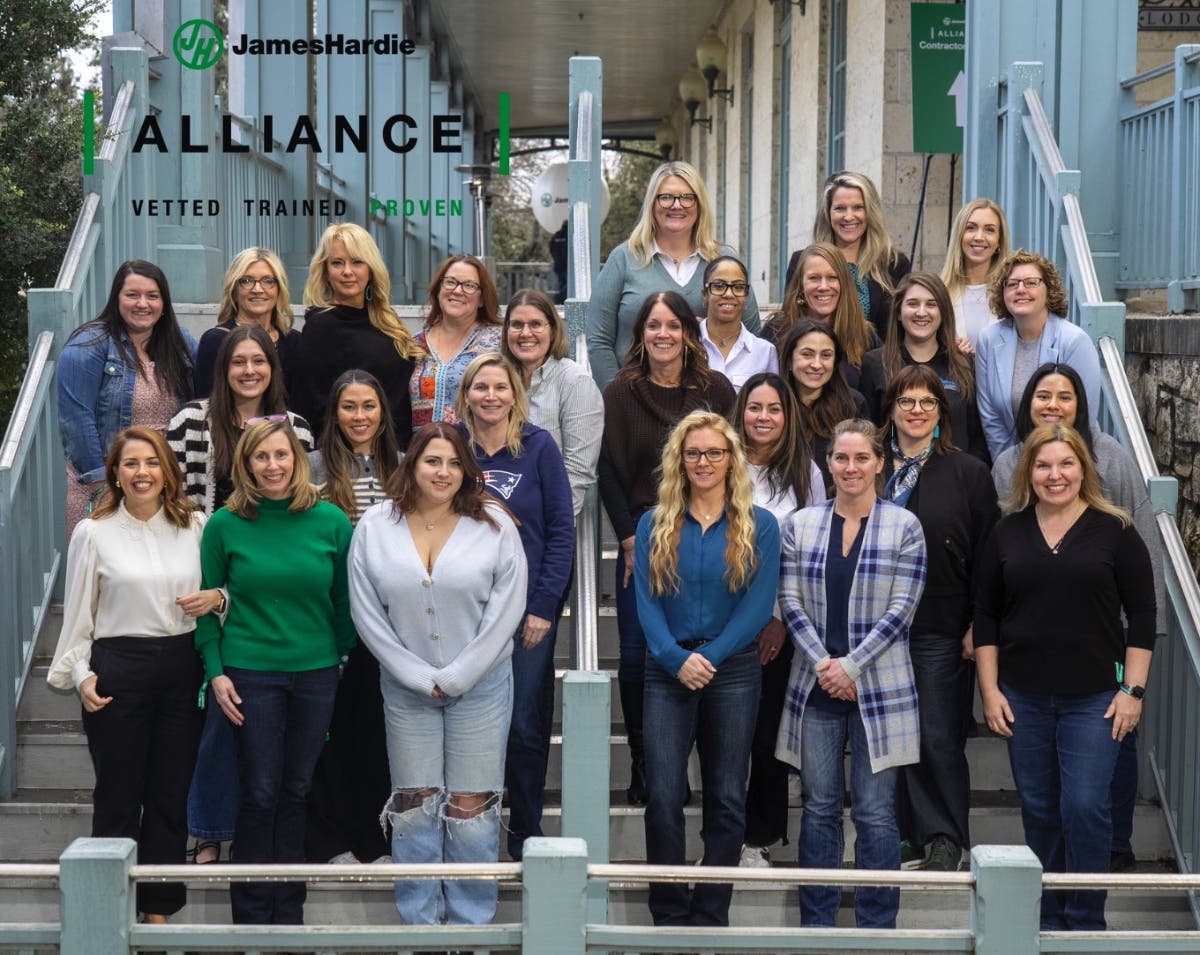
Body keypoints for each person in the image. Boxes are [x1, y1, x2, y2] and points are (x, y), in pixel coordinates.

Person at [975, 423, 1156, 931]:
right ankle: (1048, 921)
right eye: (1043, 465)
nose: (1055, 475)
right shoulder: (1006, 531)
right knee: (1039, 810)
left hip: (1096, 700)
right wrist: (990, 691)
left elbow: (1143, 614)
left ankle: (1085, 921)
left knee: (1084, 807)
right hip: (1022, 698)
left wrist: (1132, 691)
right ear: (1028, 471)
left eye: (1066, 464)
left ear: (1084, 468)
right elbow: (985, 615)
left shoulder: (1115, 530)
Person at [348, 423, 527, 925]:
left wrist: (459, 674)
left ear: (466, 469)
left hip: (482, 686)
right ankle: (421, 922)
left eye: (453, 463)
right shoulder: (375, 526)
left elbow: (507, 609)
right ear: (412, 464)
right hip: (406, 690)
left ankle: (471, 923)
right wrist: (412, 672)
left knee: (471, 810)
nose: (443, 472)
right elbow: (367, 613)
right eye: (432, 461)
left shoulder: (494, 523)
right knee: (414, 806)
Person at [991, 361, 1167, 871]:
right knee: (1048, 797)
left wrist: (1143, 635)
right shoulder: (1007, 462)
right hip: (1036, 635)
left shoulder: (1110, 454)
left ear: (1080, 403)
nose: (1052, 404)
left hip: (1107, 634)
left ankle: (1114, 847)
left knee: (1114, 745)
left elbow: (1143, 544)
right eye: (1042, 395)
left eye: (1064, 396)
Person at [47, 427, 219, 923]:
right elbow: (79, 611)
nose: (141, 472)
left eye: (151, 462)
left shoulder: (196, 525)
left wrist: (219, 599)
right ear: (116, 475)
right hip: (118, 667)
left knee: (170, 795)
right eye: (130, 464)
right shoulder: (93, 532)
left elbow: (219, 594)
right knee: (119, 796)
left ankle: (159, 911)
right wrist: (81, 675)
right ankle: (109, 911)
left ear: (168, 470)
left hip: (182, 667)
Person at [195, 419, 355, 924]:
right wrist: (216, 671)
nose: (273, 466)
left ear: (299, 460)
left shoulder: (331, 521)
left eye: (281, 456)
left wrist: (338, 659)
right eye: (261, 457)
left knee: (297, 789)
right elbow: (205, 604)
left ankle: (288, 912)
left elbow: (346, 605)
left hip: (316, 673)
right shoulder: (224, 524)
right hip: (250, 673)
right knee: (261, 791)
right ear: (245, 464)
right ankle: (250, 911)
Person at [169, 325, 316, 865]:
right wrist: (215, 579)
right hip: (204, 574)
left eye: (260, 360)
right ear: (223, 368)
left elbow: (298, 505)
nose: (250, 370)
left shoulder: (294, 429)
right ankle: (208, 830)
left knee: (260, 729)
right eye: (239, 361)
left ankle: (262, 833)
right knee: (214, 719)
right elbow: (175, 498)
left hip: (267, 593)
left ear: (274, 369)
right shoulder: (189, 421)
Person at [775, 418, 926, 928]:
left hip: (879, 689)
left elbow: (902, 611)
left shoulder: (904, 526)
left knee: (876, 812)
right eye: (841, 458)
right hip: (816, 687)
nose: (851, 467)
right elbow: (790, 601)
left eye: (862, 458)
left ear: (880, 463)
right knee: (818, 808)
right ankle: (816, 923)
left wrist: (852, 666)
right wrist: (825, 664)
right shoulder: (801, 524)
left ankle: (877, 925)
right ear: (828, 463)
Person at [634, 411, 780, 925]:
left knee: (725, 796)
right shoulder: (653, 522)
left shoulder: (759, 525)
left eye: (714, 452)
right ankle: (670, 913)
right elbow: (646, 605)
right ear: (679, 459)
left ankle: (711, 912)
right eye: (693, 453)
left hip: (733, 670)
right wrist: (676, 659)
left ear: (731, 460)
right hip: (667, 669)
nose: (703, 462)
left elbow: (759, 608)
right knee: (664, 796)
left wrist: (709, 658)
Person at [598, 291, 737, 805]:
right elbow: (606, 471)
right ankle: (647, 764)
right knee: (638, 658)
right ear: (640, 336)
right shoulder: (619, 392)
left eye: (672, 326)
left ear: (687, 332)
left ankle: (706, 767)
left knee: (705, 652)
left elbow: (733, 461)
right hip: (644, 537)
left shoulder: (716, 390)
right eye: (652, 326)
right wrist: (630, 537)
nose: (662, 335)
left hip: (710, 532)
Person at [877, 367, 998, 873]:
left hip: (943, 623)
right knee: (891, 734)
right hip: (878, 626)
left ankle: (946, 834)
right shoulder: (872, 466)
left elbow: (990, 556)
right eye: (907, 401)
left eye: (928, 402)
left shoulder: (968, 472)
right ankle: (907, 833)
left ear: (942, 414)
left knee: (938, 734)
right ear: (891, 409)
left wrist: (979, 624)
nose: (917, 410)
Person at [454, 353, 574, 860]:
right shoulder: (450, 448)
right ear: (466, 393)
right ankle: (469, 830)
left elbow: (561, 532)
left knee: (524, 723)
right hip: (464, 615)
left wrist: (545, 606)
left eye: (500, 387)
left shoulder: (539, 448)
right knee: (470, 724)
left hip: (526, 616)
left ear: (514, 394)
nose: (490, 396)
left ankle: (524, 828)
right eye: (481, 387)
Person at [304, 369, 405, 866]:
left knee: (375, 731)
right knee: (329, 731)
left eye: (369, 406)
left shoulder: (404, 469)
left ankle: (375, 837)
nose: (359, 416)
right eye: (349, 407)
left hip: (389, 622)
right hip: (327, 616)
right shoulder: (311, 467)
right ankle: (330, 839)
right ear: (335, 413)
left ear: (383, 411)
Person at [732, 373, 825, 867]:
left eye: (773, 409)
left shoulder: (804, 472)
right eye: (754, 407)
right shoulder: (720, 463)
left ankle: (759, 838)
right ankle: (722, 835)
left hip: (776, 627)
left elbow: (808, 556)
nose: (763, 417)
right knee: (724, 738)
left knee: (767, 736)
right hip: (720, 624)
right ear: (741, 412)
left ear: (787, 418)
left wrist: (781, 620)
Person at [587, 160, 760, 389]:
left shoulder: (723, 261)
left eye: (687, 197)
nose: (676, 206)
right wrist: (618, 398)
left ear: (699, 204)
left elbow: (752, 335)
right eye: (666, 197)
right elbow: (598, 340)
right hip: (635, 401)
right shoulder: (624, 258)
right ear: (652, 203)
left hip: (705, 405)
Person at [58, 260, 196, 538]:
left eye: (152, 296)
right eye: (132, 295)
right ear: (117, 298)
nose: (142, 304)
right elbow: (76, 422)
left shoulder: (181, 343)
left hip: (164, 483)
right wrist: (107, 487)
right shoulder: (88, 344)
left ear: (164, 302)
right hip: (107, 483)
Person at [288, 222, 422, 442]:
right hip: (348, 459)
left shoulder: (387, 320)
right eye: (337, 263)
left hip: (396, 454)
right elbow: (312, 406)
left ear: (370, 269)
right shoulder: (320, 326)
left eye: (357, 262)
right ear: (326, 271)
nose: (347, 272)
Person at [974, 249, 1101, 461]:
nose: (1021, 289)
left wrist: (1050, 465)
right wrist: (1012, 468)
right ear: (1002, 293)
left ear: (1049, 290)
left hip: (1067, 462)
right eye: (1012, 284)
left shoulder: (1074, 341)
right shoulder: (989, 340)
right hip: (1011, 463)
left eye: (1031, 282)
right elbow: (991, 419)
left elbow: (1082, 418)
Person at [858, 272, 988, 462]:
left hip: (954, 480)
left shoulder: (963, 363)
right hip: (894, 481)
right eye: (912, 304)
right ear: (899, 313)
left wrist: (968, 477)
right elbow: (868, 434)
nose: (921, 312)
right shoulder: (875, 363)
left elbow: (977, 435)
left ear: (943, 313)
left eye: (931, 304)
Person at [501, 288, 603, 515]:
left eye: (536, 324)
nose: (525, 333)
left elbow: (578, 471)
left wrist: (548, 523)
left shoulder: (575, 381)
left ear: (553, 329)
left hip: (546, 522)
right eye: (517, 325)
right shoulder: (497, 379)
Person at [787, 171, 911, 341]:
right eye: (840, 208)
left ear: (870, 212)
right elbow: (791, 319)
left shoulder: (894, 264)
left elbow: (902, 329)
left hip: (878, 364)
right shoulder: (801, 261)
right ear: (828, 213)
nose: (848, 216)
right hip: (817, 363)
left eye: (858, 207)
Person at [764, 243, 877, 390]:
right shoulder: (776, 331)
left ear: (844, 284)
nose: (823, 287)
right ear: (800, 285)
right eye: (814, 278)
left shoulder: (864, 334)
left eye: (832, 277)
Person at [409, 254, 503, 428]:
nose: (458, 291)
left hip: (476, 452)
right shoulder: (414, 345)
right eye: (451, 282)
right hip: (423, 452)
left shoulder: (500, 342)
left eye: (469, 285)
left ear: (482, 298)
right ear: (438, 289)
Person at [777, 319, 869, 495]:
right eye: (807, 354)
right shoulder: (774, 406)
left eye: (826, 355)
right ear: (789, 360)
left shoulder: (853, 405)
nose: (817, 364)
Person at [193, 247, 301, 398]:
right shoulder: (216, 341)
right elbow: (206, 403)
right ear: (234, 289)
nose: (257, 289)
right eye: (247, 281)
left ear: (279, 288)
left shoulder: (294, 341)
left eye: (268, 281)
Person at [940, 199, 1012, 352]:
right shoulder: (940, 292)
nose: (979, 237)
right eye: (971, 228)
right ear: (959, 236)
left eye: (989, 230)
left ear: (999, 241)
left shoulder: (1012, 292)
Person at [697, 255, 777, 391]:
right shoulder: (688, 344)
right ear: (705, 294)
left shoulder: (764, 352)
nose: (729, 294)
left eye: (738, 287)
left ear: (746, 297)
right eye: (719, 286)